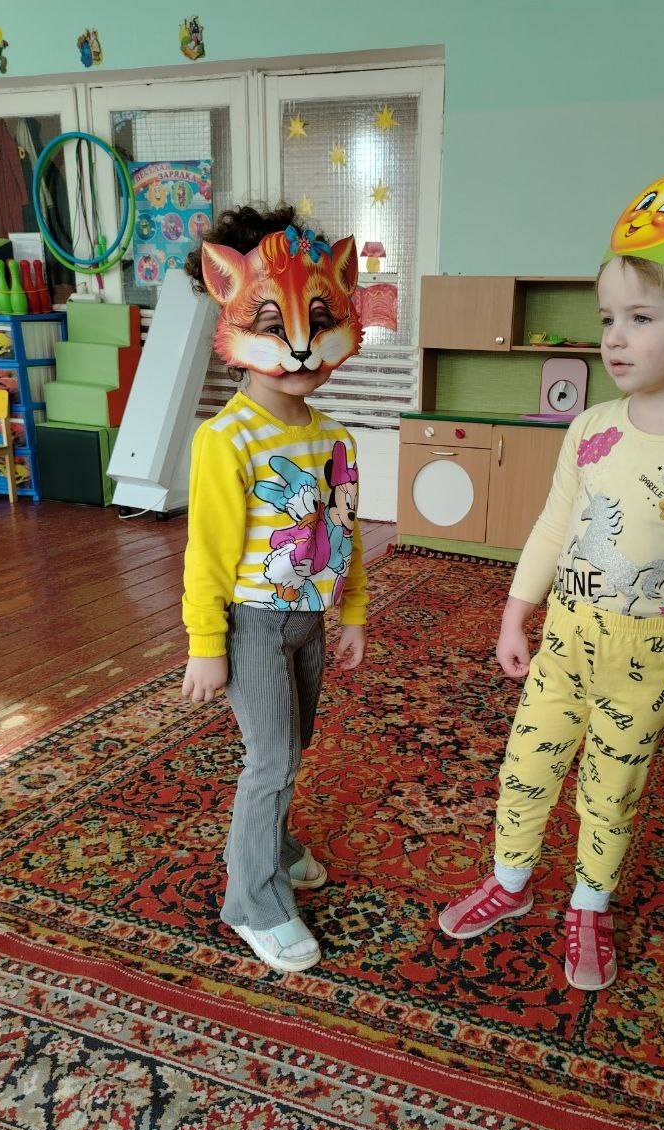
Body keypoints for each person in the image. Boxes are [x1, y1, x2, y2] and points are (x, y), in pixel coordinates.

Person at [439, 167, 664, 991]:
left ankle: (589, 904)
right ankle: (511, 882)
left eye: (641, 318)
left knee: (610, 789)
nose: (614, 338)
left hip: (649, 657)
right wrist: (516, 612)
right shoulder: (589, 427)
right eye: (608, 318)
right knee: (526, 766)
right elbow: (555, 525)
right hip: (566, 640)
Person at [181, 204, 367, 973]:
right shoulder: (225, 439)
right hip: (251, 623)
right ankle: (252, 901)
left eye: (318, 322)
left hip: (308, 622)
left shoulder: (335, 436)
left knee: (293, 746)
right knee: (272, 758)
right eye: (276, 325)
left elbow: (344, 530)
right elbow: (207, 553)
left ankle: (276, 844)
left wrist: (352, 612)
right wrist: (206, 644)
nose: (300, 346)